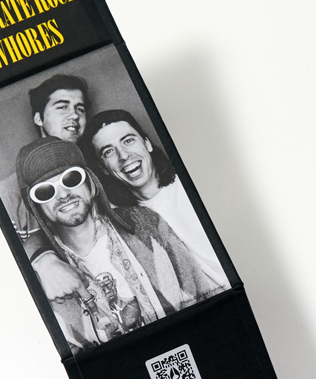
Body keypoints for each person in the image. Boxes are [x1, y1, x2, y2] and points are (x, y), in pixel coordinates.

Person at [18, 140, 222, 350]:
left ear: (90, 184)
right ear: (35, 206)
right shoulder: (44, 278)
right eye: (45, 192)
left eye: (71, 179)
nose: (63, 195)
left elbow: (200, 293)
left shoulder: (145, 223)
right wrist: (42, 262)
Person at [79, 110, 228, 290]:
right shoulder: (121, 222)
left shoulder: (194, 181)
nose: (123, 155)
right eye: (108, 151)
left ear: (147, 143)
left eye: (128, 141)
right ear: (103, 168)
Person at [0, 73, 92, 306]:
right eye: (62, 107)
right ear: (39, 118)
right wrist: (42, 259)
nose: (74, 115)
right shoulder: (7, 193)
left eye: (80, 109)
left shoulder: (97, 175)